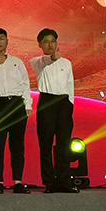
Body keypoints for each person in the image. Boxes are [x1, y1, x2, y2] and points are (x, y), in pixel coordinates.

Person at [0, 28, 33, 194]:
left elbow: (25, 84)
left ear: (7, 41)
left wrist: (28, 105)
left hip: (16, 103)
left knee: (17, 145)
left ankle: (18, 181)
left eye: (2, 38)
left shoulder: (17, 61)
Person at [31, 29, 77, 194]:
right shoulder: (37, 61)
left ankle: (64, 181)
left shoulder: (67, 63)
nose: (50, 45)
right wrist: (52, 58)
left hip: (64, 103)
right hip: (46, 102)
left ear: (57, 42)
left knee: (64, 144)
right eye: (46, 42)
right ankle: (49, 182)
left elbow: (70, 85)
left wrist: (70, 104)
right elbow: (46, 61)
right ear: (40, 45)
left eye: (53, 41)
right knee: (45, 144)